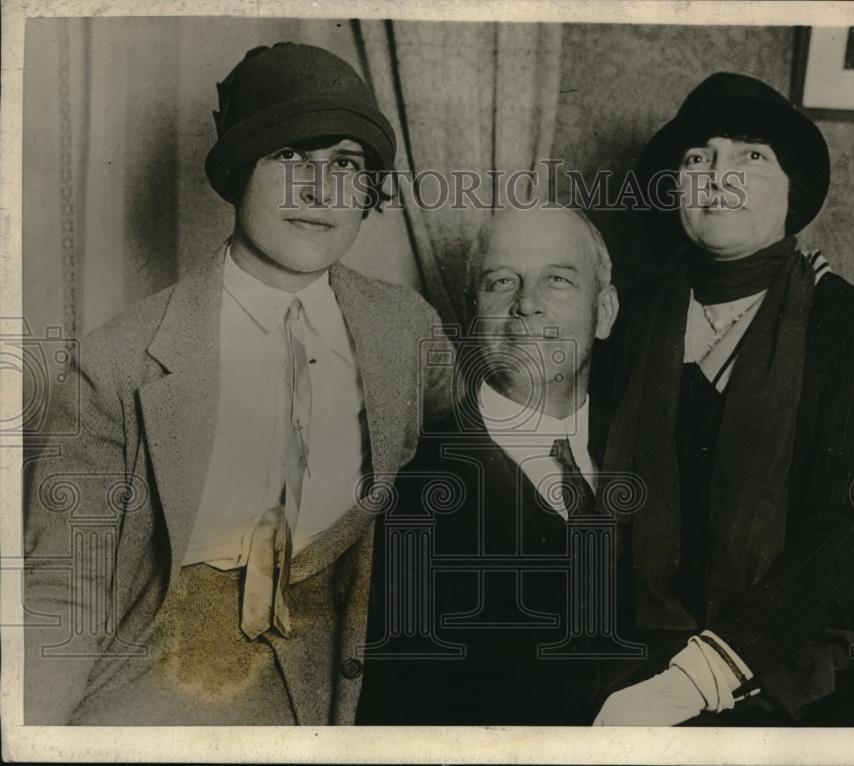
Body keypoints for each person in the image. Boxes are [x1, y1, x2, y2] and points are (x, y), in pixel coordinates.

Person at [23, 42, 454, 725]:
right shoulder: (119, 362)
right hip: (166, 689)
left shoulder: (407, 331)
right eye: (290, 158)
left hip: (346, 695)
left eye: (345, 164)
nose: (319, 192)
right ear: (235, 175)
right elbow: (62, 593)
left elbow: (489, 468)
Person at [594, 72, 854, 726]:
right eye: (698, 158)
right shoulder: (631, 322)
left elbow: (850, 527)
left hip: (813, 652)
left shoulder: (852, 330)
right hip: (648, 635)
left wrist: (694, 680)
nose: (717, 174)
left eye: (751, 156)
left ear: (793, 190)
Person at [356, 205, 636, 725]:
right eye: (501, 282)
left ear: (605, 312)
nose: (526, 305)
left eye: (557, 280)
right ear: (469, 312)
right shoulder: (413, 491)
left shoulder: (650, 450)